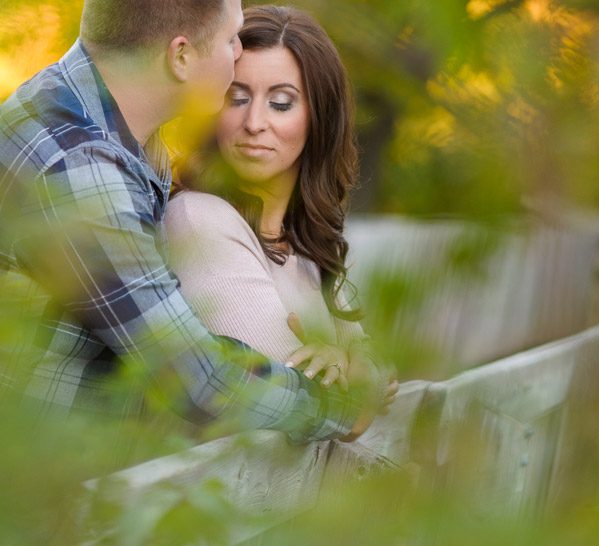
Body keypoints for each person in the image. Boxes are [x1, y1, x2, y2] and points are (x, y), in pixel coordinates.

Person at [0, 0, 382, 442]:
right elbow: (196, 377)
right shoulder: (79, 164)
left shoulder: (115, 133)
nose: (238, 51)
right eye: (230, 38)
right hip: (34, 486)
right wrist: (337, 407)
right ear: (181, 57)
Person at [165, 5, 396, 421]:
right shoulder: (198, 219)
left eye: (281, 103)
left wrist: (354, 366)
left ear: (319, 118)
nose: (254, 122)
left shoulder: (307, 247)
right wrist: (350, 382)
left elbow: (377, 371)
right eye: (236, 98)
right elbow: (281, 396)